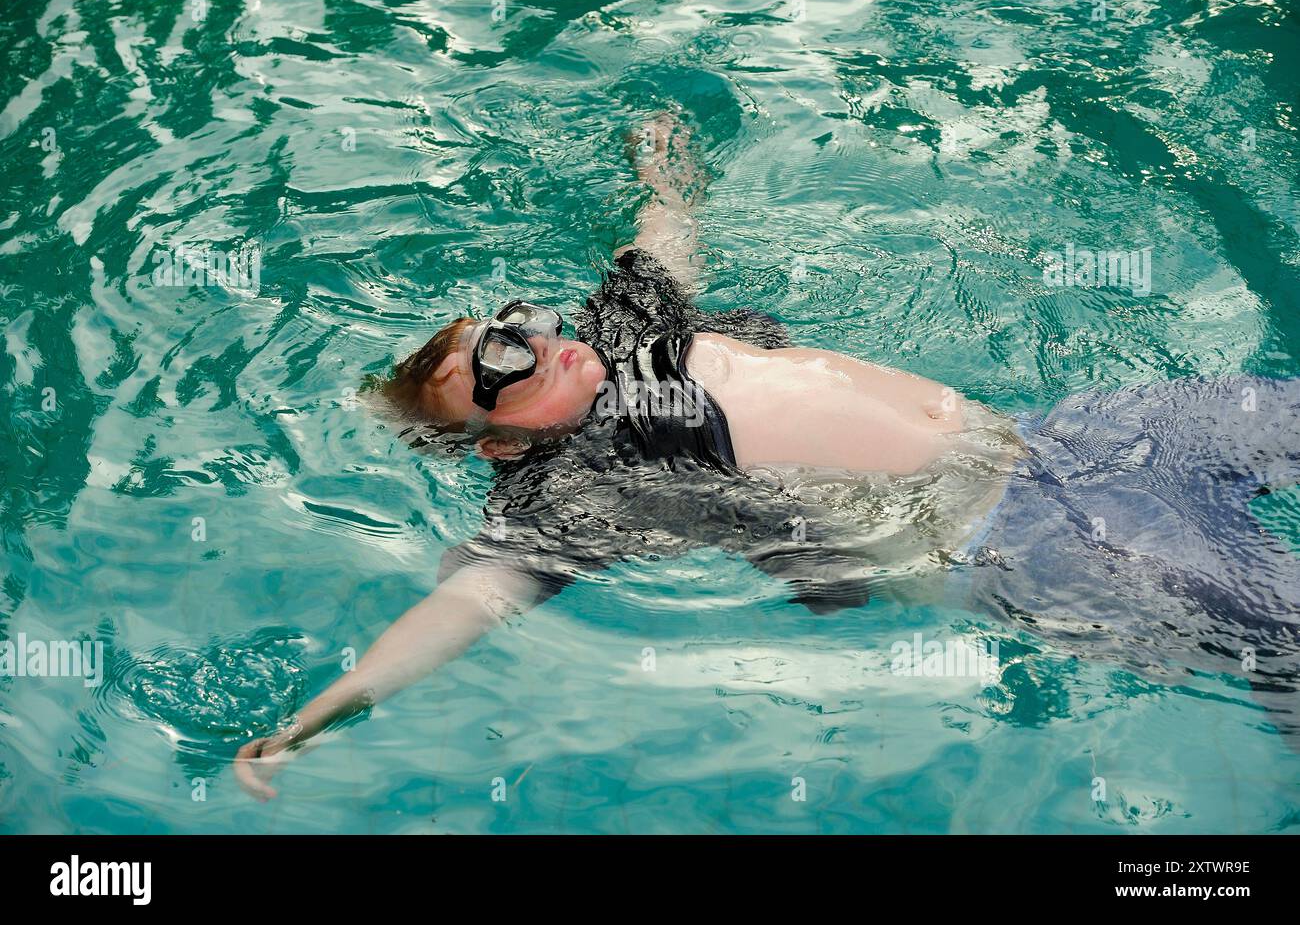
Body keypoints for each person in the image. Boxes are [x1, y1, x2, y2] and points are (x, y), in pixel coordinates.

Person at [235, 112, 1299, 800]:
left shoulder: (616, 333)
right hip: (1037, 545)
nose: (531, 338)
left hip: (1075, 435)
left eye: (509, 322)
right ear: (502, 439)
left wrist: (664, 173)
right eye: (500, 365)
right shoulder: (573, 489)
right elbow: (466, 605)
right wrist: (322, 714)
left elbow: (661, 245)